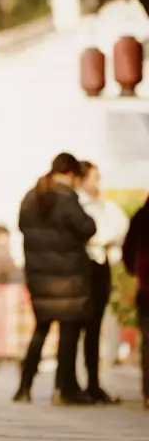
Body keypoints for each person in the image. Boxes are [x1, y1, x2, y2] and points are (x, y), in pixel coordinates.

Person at [14, 153, 96, 406]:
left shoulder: (31, 195)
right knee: (69, 334)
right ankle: (63, 389)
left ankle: (24, 387)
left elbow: (21, 226)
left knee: (40, 330)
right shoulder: (66, 198)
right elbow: (87, 228)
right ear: (71, 173)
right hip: (69, 278)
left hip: (40, 278)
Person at [78, 161, 129, 404]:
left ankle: (93, 383)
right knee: (79, 329)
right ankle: (79, 383)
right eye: (94, 178)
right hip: (84, 268)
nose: (97, 184)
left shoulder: (104, 204)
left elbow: (119, 228)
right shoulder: (78, 203)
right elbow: (95, 234)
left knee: (94, 328)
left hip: (101, 267)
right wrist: (103, 238)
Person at [122, 196, 149, 410]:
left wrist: (137, 271)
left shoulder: (141, 215)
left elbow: (128, 251)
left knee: (148, 340)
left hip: (147, 286)